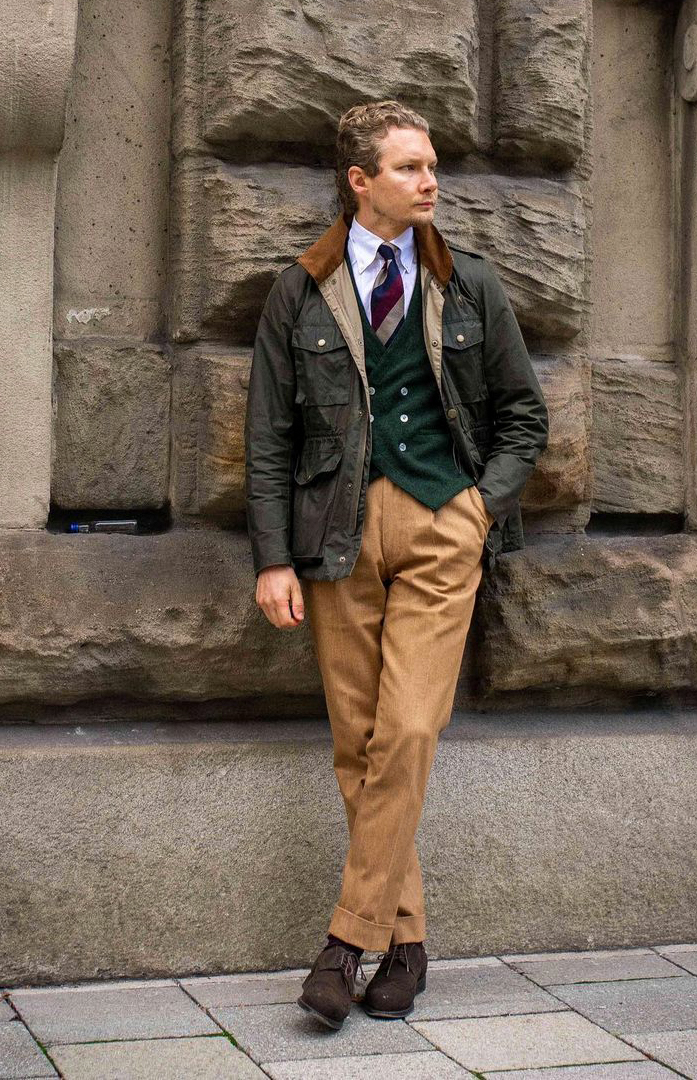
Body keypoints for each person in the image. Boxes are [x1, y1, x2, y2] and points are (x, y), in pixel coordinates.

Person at [244, 99, 549, 1030]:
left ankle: (344, 944)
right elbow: (269, 438)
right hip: (334, 541)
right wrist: (273, 561)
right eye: (411, 168)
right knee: (359, 749)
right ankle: (406, 946)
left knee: (408, 730)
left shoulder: (472, 284)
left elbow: (523, 417)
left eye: (432, 166)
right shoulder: (301, 291)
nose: (431, 182)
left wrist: (476, 505)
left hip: (440, 529)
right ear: (360, 180)